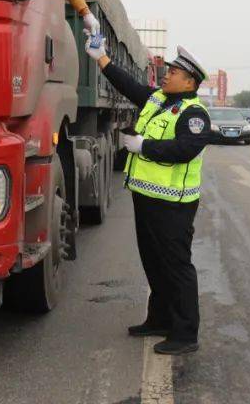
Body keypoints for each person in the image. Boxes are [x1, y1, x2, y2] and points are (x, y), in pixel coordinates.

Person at [84, 39, 210, 355]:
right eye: (167, 70)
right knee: (153, 262)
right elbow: (128, 85)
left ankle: (185, 333)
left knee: (176, 265)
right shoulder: (157, 100)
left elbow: (186, 149)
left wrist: (144, 147)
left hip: (174, 204)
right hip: (146, 197)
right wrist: (101, 58)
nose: (165, 75)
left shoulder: (194, 114)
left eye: (173, 72)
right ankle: (159, 319)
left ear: (189, 81)